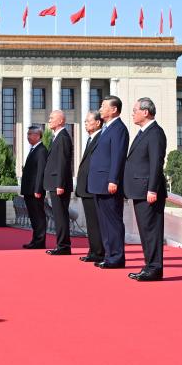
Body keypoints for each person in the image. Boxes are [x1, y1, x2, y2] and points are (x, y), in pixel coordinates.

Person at [124, 97, 168, 282]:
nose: (133, 113)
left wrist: (152, 189)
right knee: (145, 231)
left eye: (135, 110)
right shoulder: (143, 132)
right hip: (139, 189)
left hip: (148, 191)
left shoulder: (155, 133)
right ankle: (149, 266)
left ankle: (154, 268)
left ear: (145, 112)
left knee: (151, 231)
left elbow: (156, 164)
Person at [88, 96, 129, 269]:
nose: (100, 109)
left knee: (113, 222)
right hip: (99, 183)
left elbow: (118, 157)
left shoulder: (119, 129)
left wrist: (113, 179)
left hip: (108, 183)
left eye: (104, 106)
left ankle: (117, 257)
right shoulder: (107, 128)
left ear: (114, 109)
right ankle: (109, 255)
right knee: (104, 223)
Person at [43, 110, 75, 255]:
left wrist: (60, 184)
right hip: (55, 183)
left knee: (61, 215)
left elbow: (63, 163)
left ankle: (63, 246)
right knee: (58, 215)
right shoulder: (57, 137)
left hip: (59, 184)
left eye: (52, 118)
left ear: (61, 121)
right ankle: (61, 244)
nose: (49, 120)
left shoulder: (62, 137)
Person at [75, 110, 105, 263]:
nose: (85, 123)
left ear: (98, 123)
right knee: (90, 223)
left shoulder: (101, 138)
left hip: (94, 187)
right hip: (86, 187)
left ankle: (99, 252)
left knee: (96, 222)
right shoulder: (90, 139)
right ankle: (93, 250)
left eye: (88, 121)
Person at [20, 126, 49, 249]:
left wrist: (38, 189)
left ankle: (40, 241)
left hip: (35, 191)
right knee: (33, 216)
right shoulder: (33, 149)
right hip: (29, 190)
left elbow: (41, 171)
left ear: (38, 135)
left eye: (30, 134)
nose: (28, 136)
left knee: (38, 216)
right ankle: (35, 239)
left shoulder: (41, 150)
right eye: (27, 134)